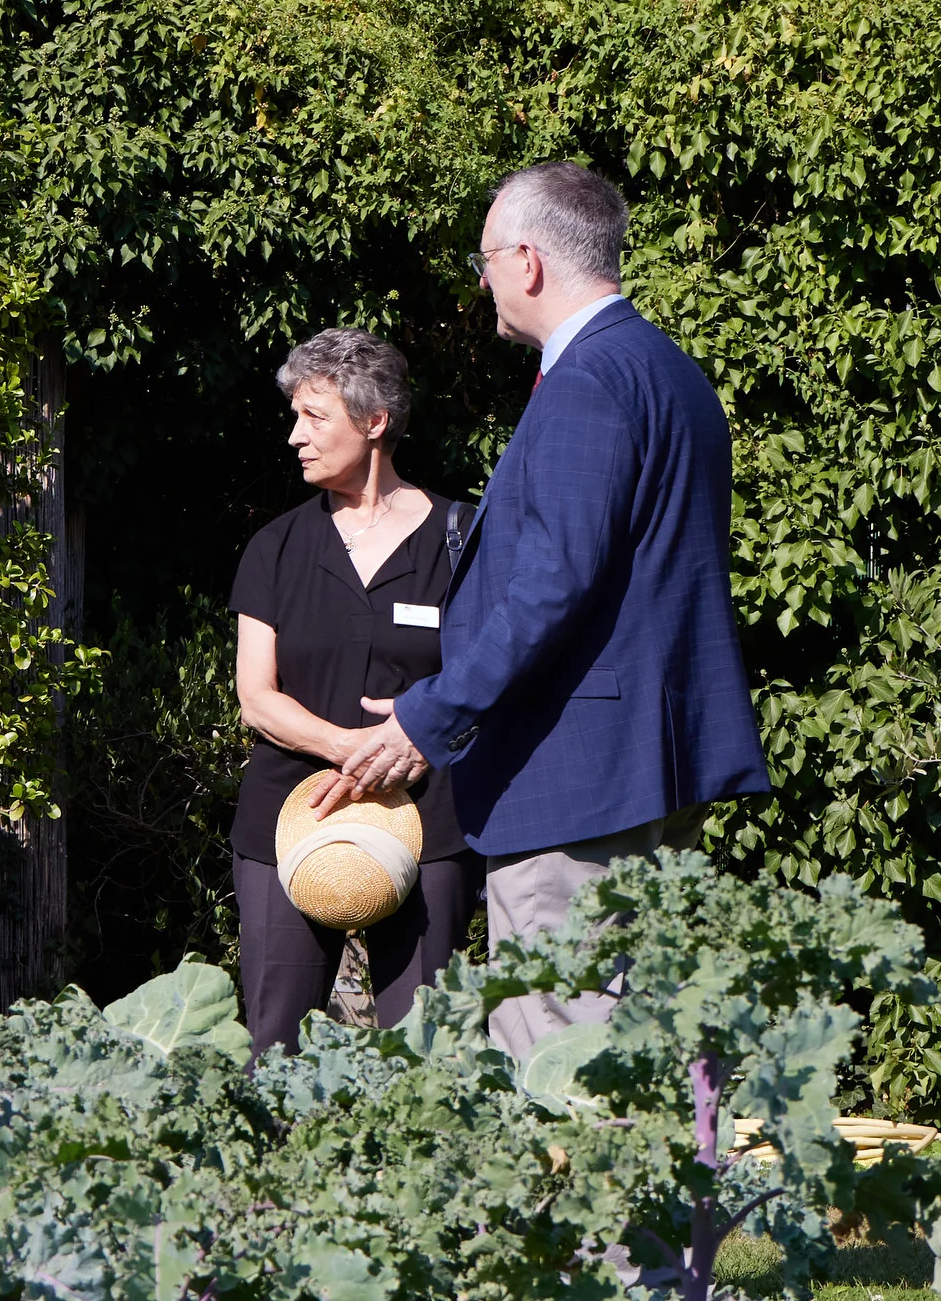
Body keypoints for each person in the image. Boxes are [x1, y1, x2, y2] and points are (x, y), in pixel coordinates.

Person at [320, 163, 765, 1048]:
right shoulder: (670, 371)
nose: (481, 281)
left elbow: (553, 584)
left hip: (575, 781)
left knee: (567, 1057)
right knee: (654, 1047)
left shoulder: (586, 381)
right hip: (655, 763)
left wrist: (426, 717)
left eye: (484, 259)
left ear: (526, 261)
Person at [228, 329, 475, 1051]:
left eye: (315, 417)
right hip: (289, 820)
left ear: (374, 423)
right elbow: (256, 696)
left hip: (429, 823)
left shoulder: (463, 538)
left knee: (427, 1049)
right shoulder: (274, 547)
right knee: (275, 1047)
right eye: (295, 416)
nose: (294, 437)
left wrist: (421, 744)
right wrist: (355, 749)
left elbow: (490, 675)